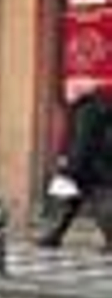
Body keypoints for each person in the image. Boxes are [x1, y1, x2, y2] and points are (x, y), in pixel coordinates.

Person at [37, 85, 112, 250]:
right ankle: (55, 235)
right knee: (70, 201)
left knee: (101, 202)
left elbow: (82, 140)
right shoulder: (96, 106)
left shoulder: (87, 109)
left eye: (73, 88)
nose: (68, 91)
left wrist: (71, 165)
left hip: (89, 165)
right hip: (95, 162)